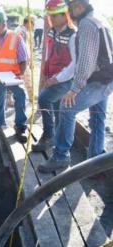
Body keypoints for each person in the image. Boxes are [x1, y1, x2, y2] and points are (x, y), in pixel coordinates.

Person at [38, 0, 113, 173]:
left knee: (67, 106)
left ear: (79, 7)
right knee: (97, 117)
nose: (70, 12)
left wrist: (74, 89)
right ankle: (95, 163)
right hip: (107, 77)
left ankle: (61, 157)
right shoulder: (99, 19)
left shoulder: (86, 24)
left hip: (99, 79)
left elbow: (85, 62)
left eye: (71, 8)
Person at [32, 0, 76, 152]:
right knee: (57, 108)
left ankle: (49, 135)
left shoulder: (73, 35)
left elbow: (74, 66)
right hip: (52, 76)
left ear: (65, 15)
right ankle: (56, 138)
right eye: (49, 15)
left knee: (44, 99)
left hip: (65, 80)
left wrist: (56, 79)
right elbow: (48, 53)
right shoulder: (52, 31)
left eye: (54, 16)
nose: (51, 18)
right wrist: (45, 72)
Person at [0, 9, 29, 143]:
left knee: (20, 96)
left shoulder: (16, 37)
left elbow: (23, 59)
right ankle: (0, 127)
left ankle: (20, 126)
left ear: (4, 24)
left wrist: (21, 75)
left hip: (12, 76)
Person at [15, 15, 35, 103]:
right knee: (26, 78)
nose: (34, 26)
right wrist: (26, 60)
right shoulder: (21, 31)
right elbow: (22, 48)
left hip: (23, 59)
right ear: (28, 23)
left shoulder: (24, 30)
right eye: (33, 24)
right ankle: (31, 96)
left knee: (23, 79)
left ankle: (31, 95)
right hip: (21, 60)